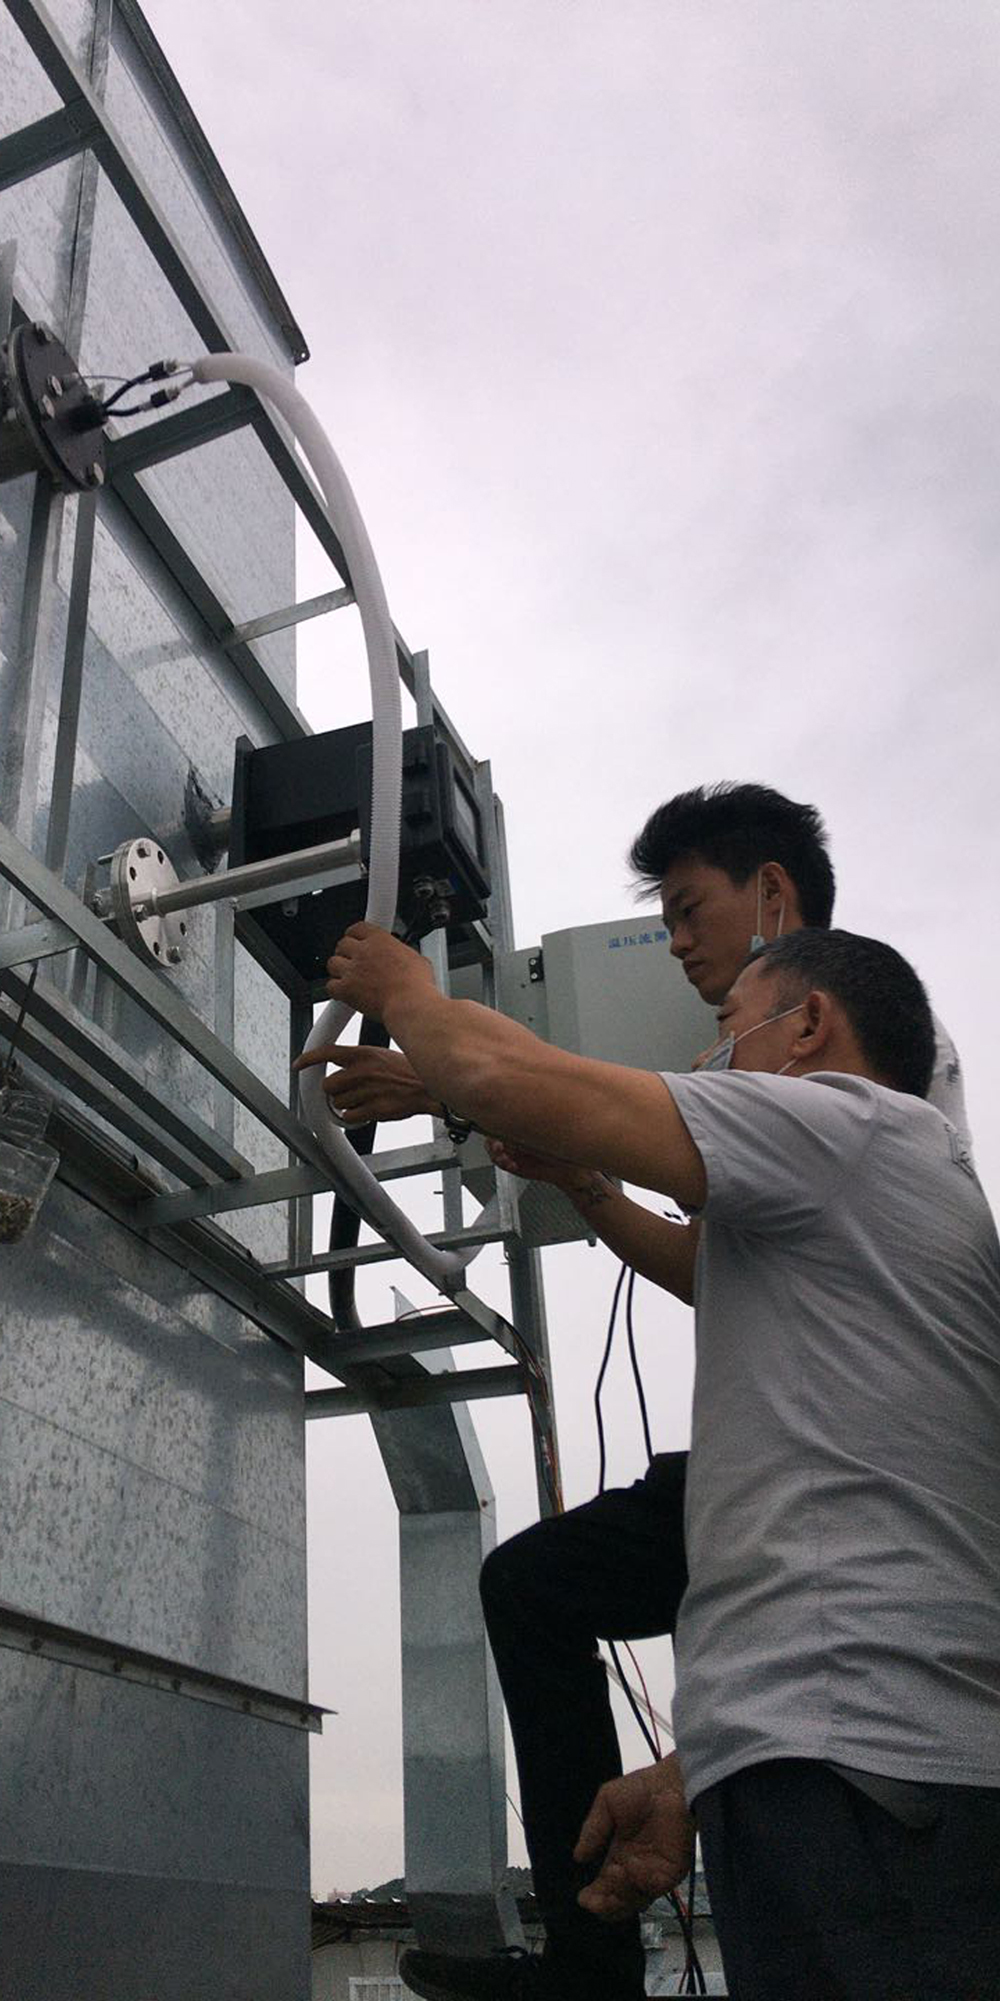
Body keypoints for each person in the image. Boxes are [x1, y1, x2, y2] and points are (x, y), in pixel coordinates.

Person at [306, 784, 973, 2001]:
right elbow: (714, 1269)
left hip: (865, 1742)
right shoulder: (847, 1126)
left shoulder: (849, 1104)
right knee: (541, 1586)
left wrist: (414, 1000)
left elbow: (532, 1078)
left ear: (777, 914)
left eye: (687, 912)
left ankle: (590, 1970)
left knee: (538, 1587)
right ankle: (594, 1955)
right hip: (822, 1696)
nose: (674, 952)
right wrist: (694, 1768)